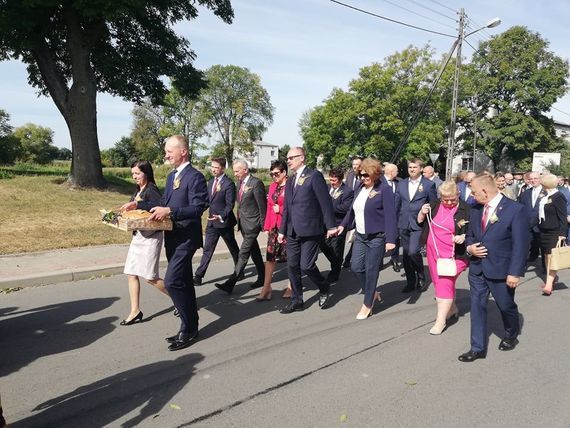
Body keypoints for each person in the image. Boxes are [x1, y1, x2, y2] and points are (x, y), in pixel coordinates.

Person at [124, 135, 208, 351]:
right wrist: (138, 203)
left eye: (170, 151)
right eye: (166, 151)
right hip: (172, 236)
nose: (166, 155)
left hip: (187, 238)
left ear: (183, 151)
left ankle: (187, 327)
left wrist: (171, 211)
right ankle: (191, 326)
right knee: (185, 283)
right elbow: (162, 202)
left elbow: (199, 207)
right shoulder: (172, 177)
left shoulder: (195, 176)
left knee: (171, 281)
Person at [458, 174, 530, 362]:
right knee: (477, 307)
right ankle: (477, 348)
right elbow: (471, 235)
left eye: (473, 192)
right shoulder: (475, 208)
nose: (471, 196)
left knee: (505, 306)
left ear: (484, 191)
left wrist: (515, 272)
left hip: (501, 269)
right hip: (477, 269)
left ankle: (511, 333)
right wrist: (469, 247)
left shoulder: (515, 210)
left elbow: (520, 245)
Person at [278, 147, 337, 313]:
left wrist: (331, 226)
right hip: (292, 230)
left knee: (307, 265)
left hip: (311, 229)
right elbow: (287, 208)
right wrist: (282, 230)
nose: (288, 161)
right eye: (287, 158)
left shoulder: (314, 176)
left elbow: (325, 203)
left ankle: (323, 286)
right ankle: (297, 300)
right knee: (292, 266)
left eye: (291, 158)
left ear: (302, 158)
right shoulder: (290, 180)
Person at [337, 159, 397, 319]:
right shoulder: (359, 187)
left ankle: (367, 304)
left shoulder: (384, 189)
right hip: (361, 236)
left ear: (375, 174)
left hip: (377, 237)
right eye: (360, 175)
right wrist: (343, 225)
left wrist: (391, 239)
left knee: (371, 271)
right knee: (356, 267)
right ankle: (372, 292)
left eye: (366, 175)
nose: (363, 178)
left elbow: (391, 216)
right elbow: (351, 210)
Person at [119, 160, 168, 326]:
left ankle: (180, 300)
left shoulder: (152, 190)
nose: (134, 177)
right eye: (133, 174)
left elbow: (158, 205)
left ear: (146, 173)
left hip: (151, 237)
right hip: (138, 236)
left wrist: (137, 204)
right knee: (131, 273)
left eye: (137, 174)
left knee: (150, 278)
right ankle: (135, 311)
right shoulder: (137, 190)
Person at [417, 181, 470, 335]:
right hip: (434, 253)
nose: (448, 202)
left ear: (458, 194)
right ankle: (452, 309)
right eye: (444, 199)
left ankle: (440, 321)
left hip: (455, 254)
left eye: (452, 199)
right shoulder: (434, 205)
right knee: (438, 282)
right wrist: (421, 213)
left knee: (444, 283)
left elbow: (474, 230)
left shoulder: (466, 209)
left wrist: (464, 236)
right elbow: (420, 222)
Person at [215, 160, 266, 294]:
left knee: (243, 253)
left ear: (245, 170)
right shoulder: (239, 183)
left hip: (253, 225)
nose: (235, 174)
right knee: (254, 251)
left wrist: (263, 225)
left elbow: (262, 206)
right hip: (243, 224)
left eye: (237, 171)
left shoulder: (256, 184)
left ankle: (230, 283)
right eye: (234, 171)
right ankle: (262, 277)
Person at [193, 157, 240, 286]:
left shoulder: (229, 184)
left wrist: (220, 216)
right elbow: (208, 201)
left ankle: (239, 269)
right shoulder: (211, 182)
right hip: (212, 223)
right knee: (208, 249)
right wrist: (198, 210)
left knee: (233, 248)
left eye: (216, 167)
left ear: (223, 168)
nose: (213, 170)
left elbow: (230, 205)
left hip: (224, 223)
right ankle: (198, 276)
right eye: (212, 167)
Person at [395, 158, 438, 293]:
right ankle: (410, 281)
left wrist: (430, 222)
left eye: (414, 167)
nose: (412, 169)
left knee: (413, 251)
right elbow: (397, 204)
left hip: (419, 223)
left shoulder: (428, 185)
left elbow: (433, 204)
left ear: (421, 169)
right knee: (406, 254)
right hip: (403, 222)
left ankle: (420, 274)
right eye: (410, 167)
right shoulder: (401, 184)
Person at [256, 160, 289, 301]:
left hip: (287, 226)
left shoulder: (291, 186)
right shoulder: (272, 187)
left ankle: (291, 286)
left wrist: (280, 210)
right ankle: (266, 287)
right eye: (272, 174)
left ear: (284, 172)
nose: (274, 176)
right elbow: (269, 207)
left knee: (290, 258)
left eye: (276, 174)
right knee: (270, 257)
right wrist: (267, 226)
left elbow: (294, 208)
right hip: (274, 227)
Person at [319, 167, 354, 282]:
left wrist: (327, 207)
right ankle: (337, 263)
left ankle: (334, 274)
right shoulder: (327, 188)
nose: (332, 182)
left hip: (338, 225)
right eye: (331, 180)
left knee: (336, 250)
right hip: (324, 225)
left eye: (334, 180)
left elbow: (345, 208)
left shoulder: (347, 191)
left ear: (340, 179)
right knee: (323, 246)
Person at [538, 174, 568, 296]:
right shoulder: (546, 196)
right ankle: (551, 279)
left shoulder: (558, 196)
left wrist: (562, 233)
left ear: (546, 184)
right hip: (544, 230)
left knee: (552, 257)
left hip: (554, 231)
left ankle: (549, 283)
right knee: (546, 255)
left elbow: (562, 217)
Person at [518, 171, 546, 266]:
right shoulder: (525, 194)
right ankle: (522, 267)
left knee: (543, 249)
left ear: (540, 179)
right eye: (531, 179)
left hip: (541, 225)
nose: (533, 181)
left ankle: (545, 267)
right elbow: (520, 208)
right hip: (527, 225)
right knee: (525, 247)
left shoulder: (546, 192)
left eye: (535, 178)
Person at [342, 155, 364, 269]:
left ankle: (349, 258)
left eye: (357, 165)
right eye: (353, 164)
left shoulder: (365, 177)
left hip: (360, 211)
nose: (355, 167)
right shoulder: (350, 175)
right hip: (349, 210)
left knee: (357, 235)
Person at [383, 163, 401, 272]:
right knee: (381, 239)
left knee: (395, 239)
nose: (398, 173)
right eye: (397, 171)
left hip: (396, 216)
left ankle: (394, 259)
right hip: (382, 217)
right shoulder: (379, 182)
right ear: (391, 172)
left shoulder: (398, 183)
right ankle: (378, 260)